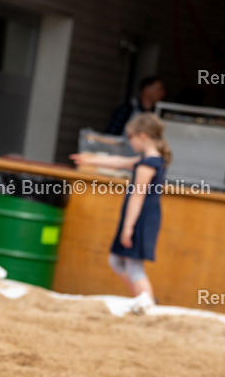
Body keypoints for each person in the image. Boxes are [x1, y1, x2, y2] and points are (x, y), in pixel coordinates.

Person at [71, 112, 170, 314]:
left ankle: (148, 303)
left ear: (142, 136)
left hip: (140, 219)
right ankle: (144, 299)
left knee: (134, 267)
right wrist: (90, 160)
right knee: (116, 261)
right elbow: (118, 162)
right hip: (140, 217)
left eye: (131, 138)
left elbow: (138, 195)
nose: (130, 142)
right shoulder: (147, 159)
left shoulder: (148, 163)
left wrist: (128, 227)